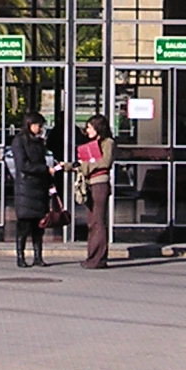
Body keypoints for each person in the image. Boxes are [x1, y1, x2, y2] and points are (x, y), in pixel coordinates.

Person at [7, 114, 57, 267]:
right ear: (29, 124)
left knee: (39, 225)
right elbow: (23, 165)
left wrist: (50, 182)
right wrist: (45, 170)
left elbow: (42, 160)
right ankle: (20, 256)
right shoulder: (19, 141)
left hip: (40, 187)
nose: (40, 129)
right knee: (24, 224)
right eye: (38, 125)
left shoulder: (39, 142)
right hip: (26, 188)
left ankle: (38, 256)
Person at [77, 114, 116, 269]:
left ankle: (98, 258)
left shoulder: (108, 142)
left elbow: (105, 162)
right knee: (92, 221)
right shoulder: (92, 144)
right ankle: (92, 256)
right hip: (90, 184)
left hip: (100, 183)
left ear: (97, 128)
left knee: (98, 221)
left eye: (89, 127)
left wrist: (87, 165)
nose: (87, 131)